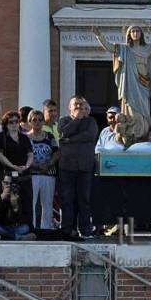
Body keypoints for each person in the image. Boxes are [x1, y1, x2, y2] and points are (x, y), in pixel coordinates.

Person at [93, 24, 151, 139]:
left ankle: (142, 130)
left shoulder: (147, 48)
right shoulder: (124, 49)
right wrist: (99, 36)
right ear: (129, 34)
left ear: (141, 34)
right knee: (130, 107)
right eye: (133, 31)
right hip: (129, 83)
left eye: (137, 31)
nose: (135, 33)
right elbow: (109, 47)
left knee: (143, 108)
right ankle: (131, 130)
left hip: (143, 83)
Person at [58, 95, 98, 240]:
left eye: (81, 104)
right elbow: (63, 133)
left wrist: (70, 140)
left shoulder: (91, 121)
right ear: (70, 107)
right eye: (76, 104)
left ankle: (85, 230)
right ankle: (67, 229)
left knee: (84, 199)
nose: (79, 107)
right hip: (67, 167)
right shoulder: (64, 120)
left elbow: (89, 136)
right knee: (67, 199)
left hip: (85, 167)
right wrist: (76, 120)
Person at [0, 111, 34, 228]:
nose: (14, 124)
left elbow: (30, 154)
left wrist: (26, 166)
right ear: (6, 124)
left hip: (24, 175)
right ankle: (8, 228)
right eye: (11, 122)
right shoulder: (2, 137)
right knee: (9, 202)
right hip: (8, 175)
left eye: (16, 121)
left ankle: (27, 228)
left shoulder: (24, 137)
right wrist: (13, 166)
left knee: (26, 202)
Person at [0, 173, 36, 241]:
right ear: (1, 182)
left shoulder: (13, 193)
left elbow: (15, 220)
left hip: (4, 227)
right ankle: (18, 237)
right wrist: (2, 197)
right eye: (6, 183)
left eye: (10, 184)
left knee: (25, 228)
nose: (8, 186)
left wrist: (15, 207)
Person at [27, 109, 58, 230]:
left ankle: (46, 228)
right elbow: (23, 154)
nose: (37, 122)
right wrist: (34, 165)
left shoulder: (49, 136)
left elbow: (57, 152)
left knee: (47, 203)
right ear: (29, 121)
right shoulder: (25, 138)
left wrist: (49, 163)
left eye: (40, 120)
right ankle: (32, 228)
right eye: (34, 120)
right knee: (31, 202)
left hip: (48, 173)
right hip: (32, 173)